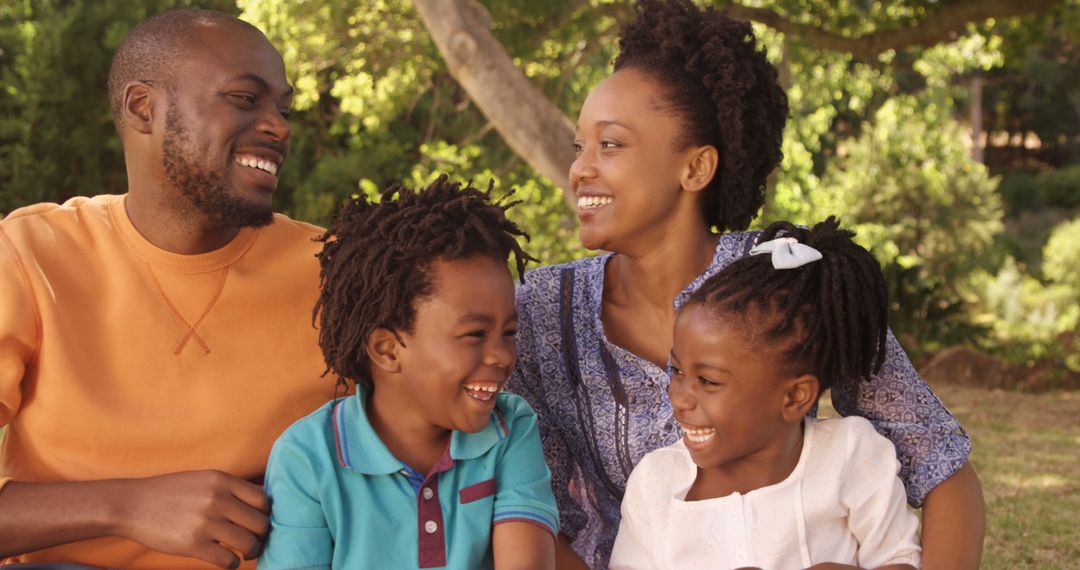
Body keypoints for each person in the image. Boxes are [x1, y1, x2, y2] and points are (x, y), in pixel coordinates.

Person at [508, 1, 985, 568]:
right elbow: (532, 510)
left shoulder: (785, 278)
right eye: (578, 147)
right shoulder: (539, 310)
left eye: (609, 144)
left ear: (696, 168)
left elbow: (941, 470)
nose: (581, 168)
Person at [0, 10, 333, 568]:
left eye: (284, 108)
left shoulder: (337, 271)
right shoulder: (31, 256)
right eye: (245, 99)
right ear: (142, 107)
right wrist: (125, 506)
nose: (279, 126)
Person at [258, 176, 559, 569]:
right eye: (474, 335)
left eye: (508, 333)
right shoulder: (307, 459)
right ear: (388, 350)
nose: (502, 356)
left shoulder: (509, 428)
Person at [609, 219, 922, 569]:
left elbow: (898, 560)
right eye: (678, 371)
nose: (680, 398)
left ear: (794, 398)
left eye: (708, 381)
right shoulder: (656, 482)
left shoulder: (850, 455)